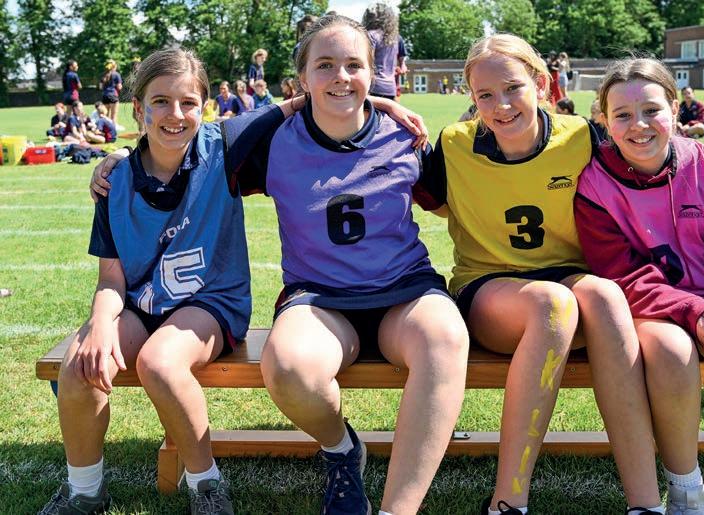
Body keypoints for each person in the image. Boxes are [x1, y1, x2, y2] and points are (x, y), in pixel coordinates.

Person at [43, 47, 306, 515]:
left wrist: (384, 104)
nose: (175, 114)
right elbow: (111, 279)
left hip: (210, 302)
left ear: (205, 107)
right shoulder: (115, 180)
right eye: (160, 101)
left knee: (160, 363)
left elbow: (307, 101)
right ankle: (85, 491)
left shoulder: (224, 146)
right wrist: (100, 326)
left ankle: (206, 484)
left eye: (188, 102)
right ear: (138, 108)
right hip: (142, 304)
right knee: (80, 364)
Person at [413, 33, 662, 514]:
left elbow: (645, 175)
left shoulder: (582, 137)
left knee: (606, 296)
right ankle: (509, 501)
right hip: (489, 287)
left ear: (542, 84)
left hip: (570, 279)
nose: (501, 105)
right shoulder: (455, 145)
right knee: (552, 303)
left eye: (513, 88)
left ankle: (645, 502)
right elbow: (423, 195)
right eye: (485, 95)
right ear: (472, 99)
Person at [239, 15, 467, 515]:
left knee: (445, 337)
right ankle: (342, 449)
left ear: (373, 71)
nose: (341, 76)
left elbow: (453, 202)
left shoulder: (404, 135)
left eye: (353, 65)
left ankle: (397, 510)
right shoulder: (272, 141)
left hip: (404, 292)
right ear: (302, 77)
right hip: (320, 299)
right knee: (290, 367)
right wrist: (121, 159)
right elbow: (188, 152)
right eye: (324, 65)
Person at [574, 57, 704, 515]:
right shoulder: (594, 185)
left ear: (675, 110)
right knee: (671, 350)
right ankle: (686, 492)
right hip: (657, 310)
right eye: (623, 115)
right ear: (604, 120)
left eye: (651, 110)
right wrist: (693, 312)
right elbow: (621, 274)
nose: (639, 125)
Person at [362, 2, 404, 101]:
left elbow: (365, 61)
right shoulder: (396, 38)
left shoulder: (370, 35)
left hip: (373, 87)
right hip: (390, 88)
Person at [100, 59, 124, 130]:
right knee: (113, 116)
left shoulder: (103, 75)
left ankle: (106, 130)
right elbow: (119, 87)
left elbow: (100, 87)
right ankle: (113, 131)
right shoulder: (116, 74)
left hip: (105, 96)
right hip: (113, 95)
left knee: (105, 115)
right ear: (114, 66)